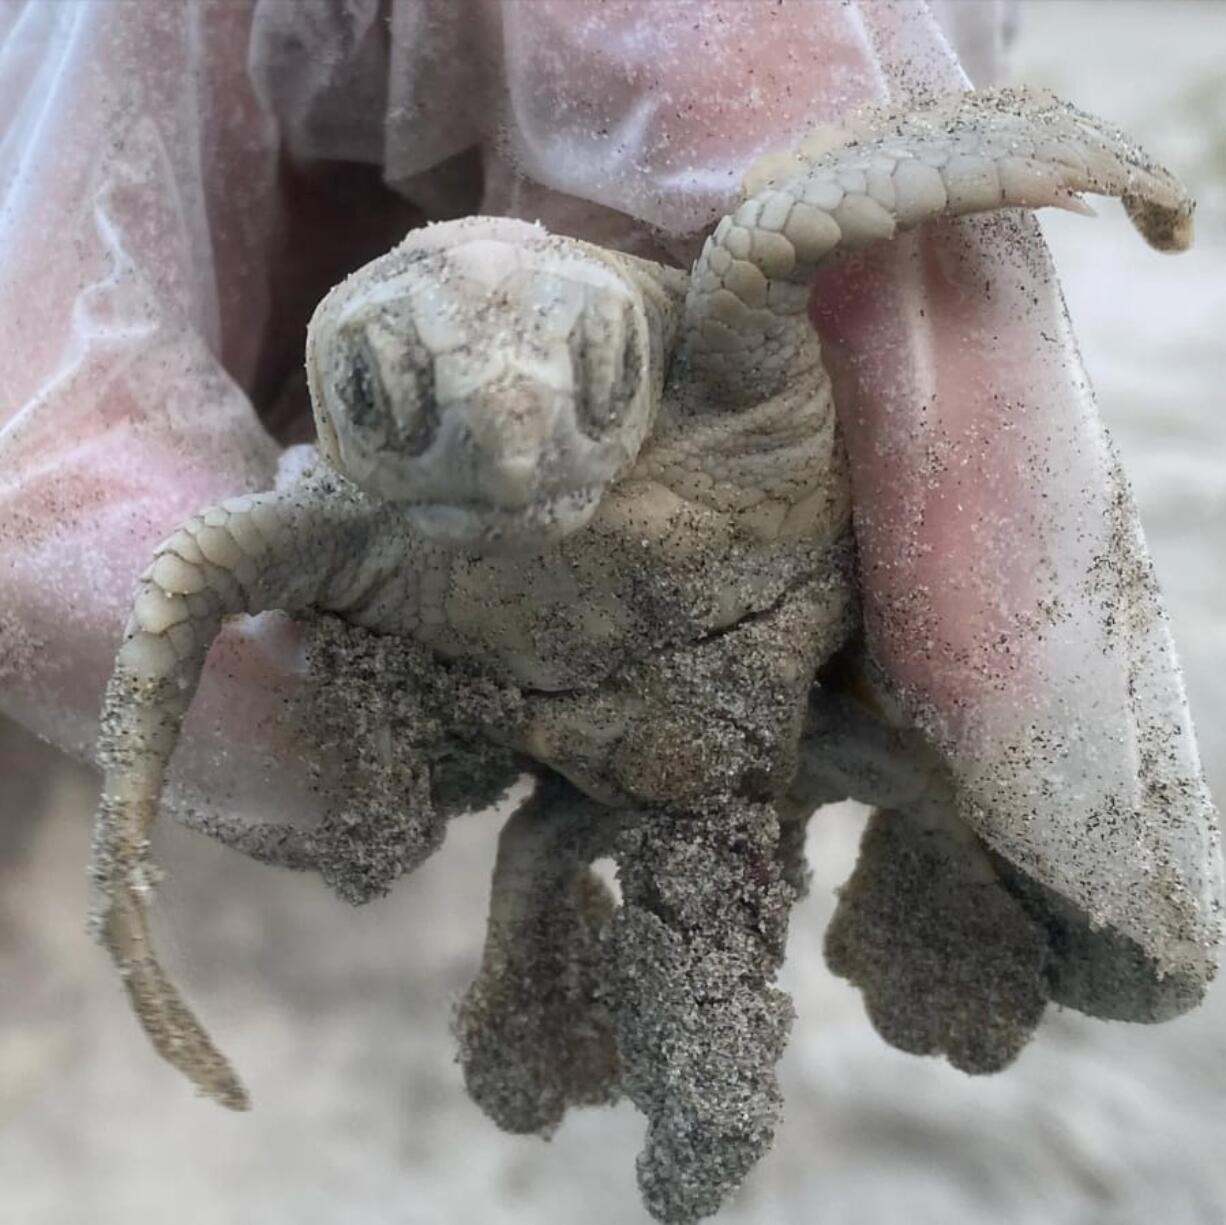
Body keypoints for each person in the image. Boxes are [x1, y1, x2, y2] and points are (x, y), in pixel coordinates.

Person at [0, 0, 1210, 918]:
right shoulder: (304, 516)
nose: (507, 444)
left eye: (568, 377)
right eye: (395, 396)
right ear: (338, 389)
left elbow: (814, 213)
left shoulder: (728, 313)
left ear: (626, 341)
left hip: (752, 675)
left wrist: (1124, 177)